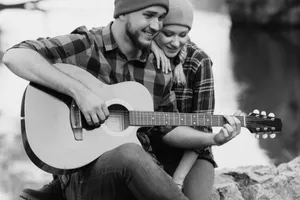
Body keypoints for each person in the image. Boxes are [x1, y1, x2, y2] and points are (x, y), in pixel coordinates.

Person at [3, 0, 243, 200]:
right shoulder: (88, 45)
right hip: (84, 181)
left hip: (138, 179)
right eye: (149, 15)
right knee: (129, 153)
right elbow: (16, 56)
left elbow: (167, 129)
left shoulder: (158, 68)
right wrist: (81, 93)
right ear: (123, 13)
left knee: (135, 154)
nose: (156, 25)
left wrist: (214, 138)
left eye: (161, 17)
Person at [149, 0, 240, 199]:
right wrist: (152, 48)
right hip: (148, 148)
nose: (175, 42)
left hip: (192, 152)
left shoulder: (199, 62)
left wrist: (178, 179)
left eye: (182, 35)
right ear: (156, 28)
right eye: (168, 33)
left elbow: (202, 126)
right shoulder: (143, 52)